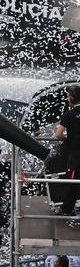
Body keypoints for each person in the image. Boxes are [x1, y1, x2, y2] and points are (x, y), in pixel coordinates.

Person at [55, 86, 80, 216]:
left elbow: (58, 134)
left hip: (76, 155)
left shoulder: (69, 115)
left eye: (68, 96)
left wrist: (68, 138)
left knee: (73, 181)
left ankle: (67, 209)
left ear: (72, 97)